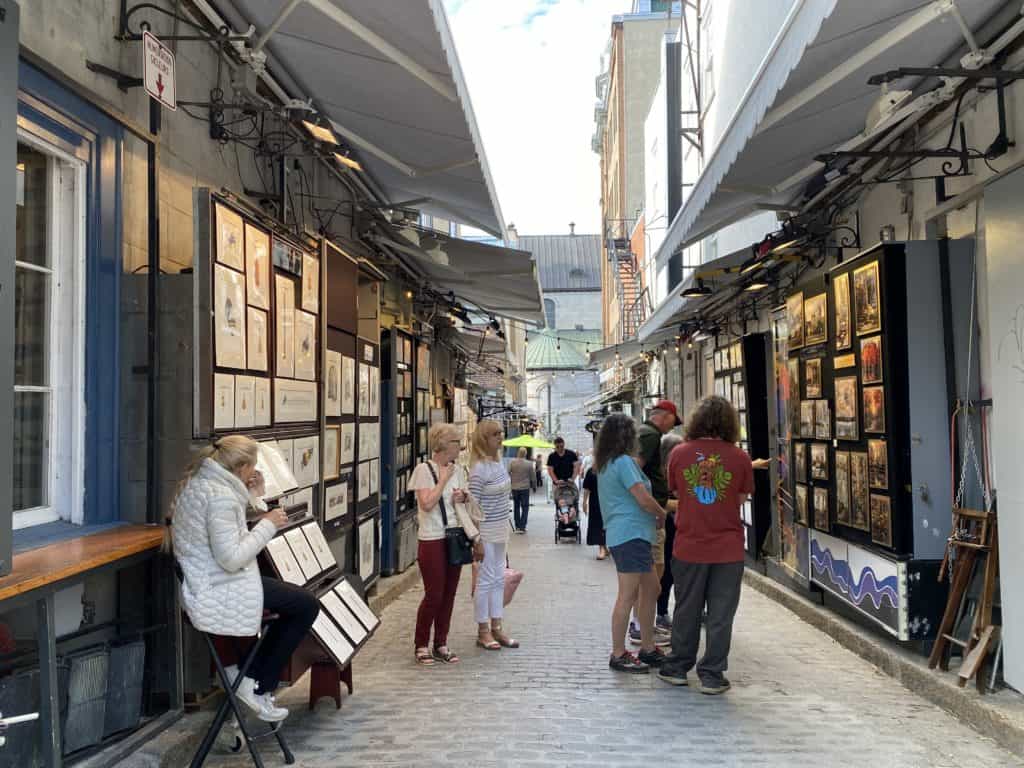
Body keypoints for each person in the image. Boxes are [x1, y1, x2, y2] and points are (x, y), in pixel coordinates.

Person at [168, 435, 319, 722]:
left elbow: (224, 533)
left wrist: (253, 495)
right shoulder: (221, 497)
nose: (254, 472)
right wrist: (268, 525)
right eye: (252, 467)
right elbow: (233, 558)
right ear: (241, 467)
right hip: (221, 585)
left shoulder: (203, 485)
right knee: (306, 605)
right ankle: (256, 682)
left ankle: (250, 676)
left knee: (298, 602)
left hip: (211, 581)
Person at [660, 396, 754, 694]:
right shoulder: (740, 458)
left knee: (686, 608)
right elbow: (739, 499)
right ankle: (712, 674)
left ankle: (677, 666)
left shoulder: (679, 453)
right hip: (727, 547)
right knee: (720, 614)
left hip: (689, 544)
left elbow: (677, 491)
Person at [595, 413, 668, 673]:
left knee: (652, 588)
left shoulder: (606, 464)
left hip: (628, 534)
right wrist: (661, 512)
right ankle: (619, 653)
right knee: (628, 595)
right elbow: (642, 497)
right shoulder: (623, 462)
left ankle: (647, 647)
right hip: (630, 534)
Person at [408, 423, 484, 666]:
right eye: (455, 442)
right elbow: (427, 504)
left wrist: (462, 497)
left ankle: (441, 643)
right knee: (434, 594)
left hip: (454, 536)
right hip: (431, 538)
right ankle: (421, 644)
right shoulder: (423, 469)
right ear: (441, 444)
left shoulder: (458, 470)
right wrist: (442, 481)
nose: (459, 446)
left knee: (449, 594)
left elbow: (463, 501)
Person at [633, 400, 682, 646]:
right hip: (652, 514)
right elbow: (635, 471)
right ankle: (643, 630)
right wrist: (655, 508)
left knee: (646, 575)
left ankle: (642, 626)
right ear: (663, 416)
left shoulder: (643, 432)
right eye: (673, 420)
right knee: (653, 575)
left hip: (649, 511)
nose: (673, 427)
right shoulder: (651, 435)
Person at [468, 420, 520, 650]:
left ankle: (497, 626)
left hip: (501, 528)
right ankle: (483, 630)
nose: (500, 437)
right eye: (494, 434)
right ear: (484, 439)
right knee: (486, 581)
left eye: (500, 433)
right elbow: (473, 506)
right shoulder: (478, 470)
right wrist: (476, 539)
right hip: (486, 530)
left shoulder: (499, 464)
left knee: (499, 578)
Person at [581, 462, 608, 560]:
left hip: (610, 502)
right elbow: (587, 488)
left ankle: (604, 547)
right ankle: (602, 548)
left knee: (607, 524)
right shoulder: (592, 470)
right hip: (596, 502)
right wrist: (584, 502)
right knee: (598, 525)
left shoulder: (612, 468)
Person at [509, 447, 535, 533]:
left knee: (516, 506)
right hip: (525, 488)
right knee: (525, 507)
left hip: (515, 488)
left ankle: (517, 526)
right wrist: (534, 486)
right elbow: (533, 476)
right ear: (525, 454)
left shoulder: (512, 462)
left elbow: (507, 473)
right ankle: (523, 526)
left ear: (518, 453)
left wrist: (511, 480)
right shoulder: (529, 464)